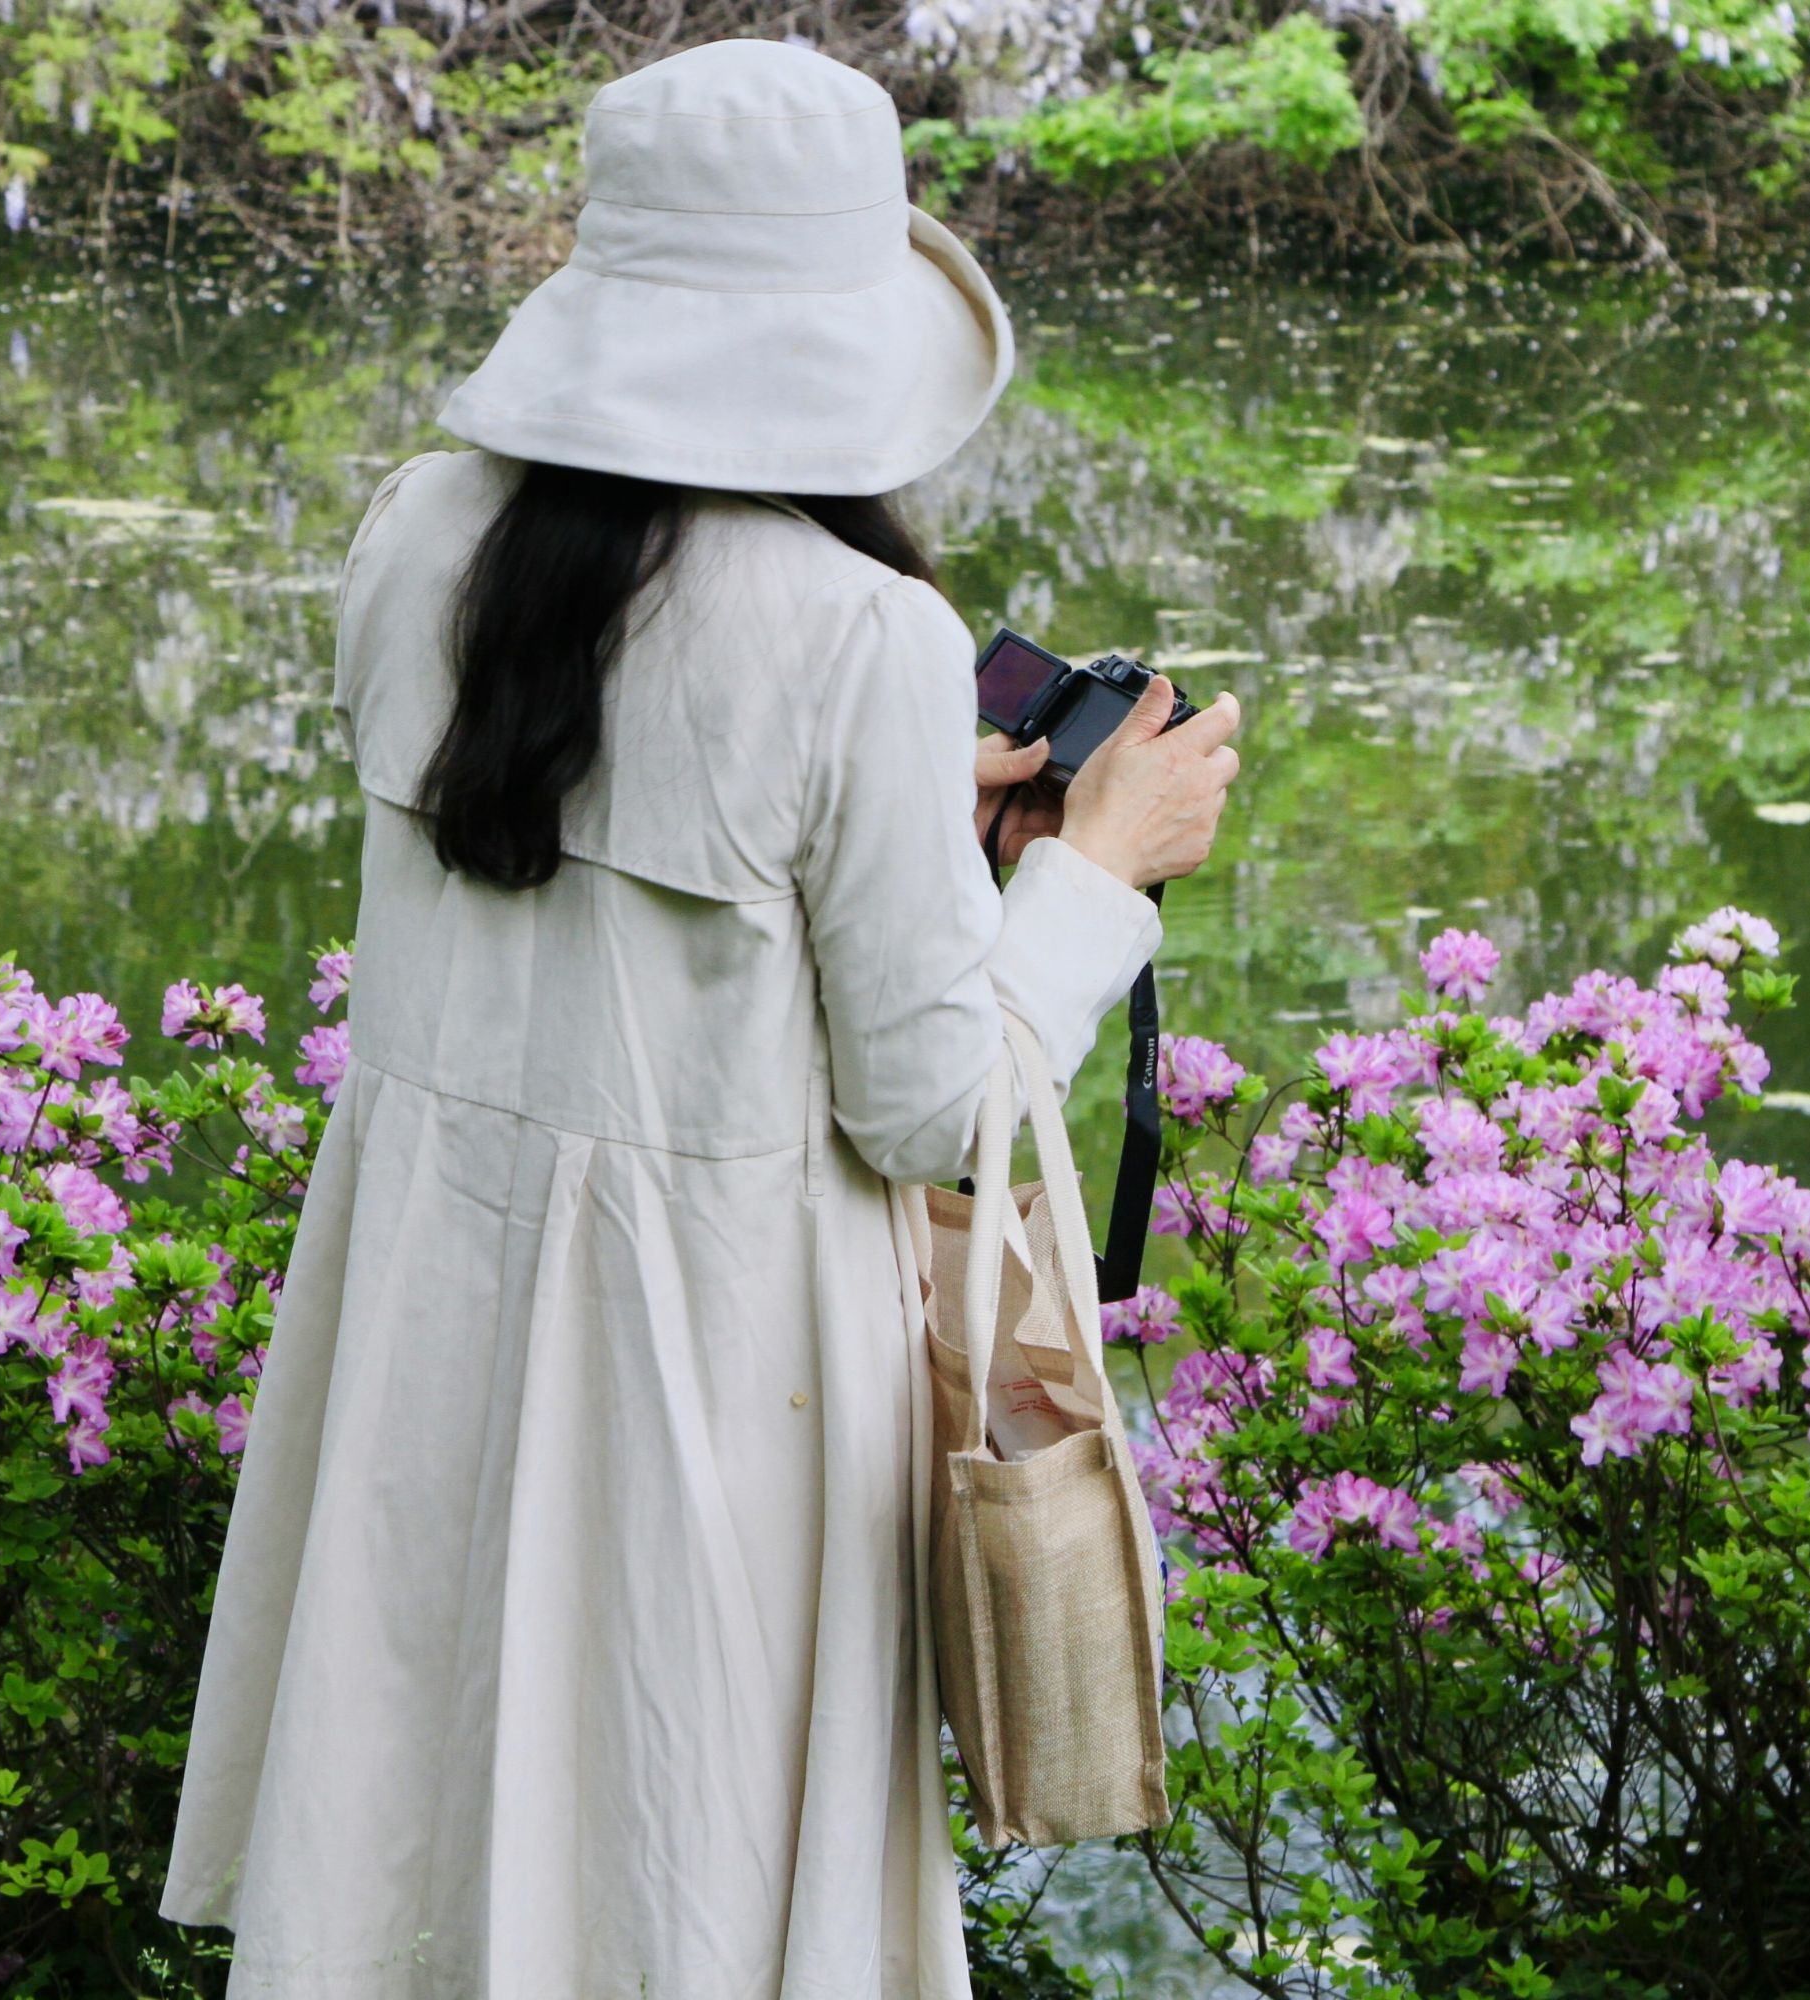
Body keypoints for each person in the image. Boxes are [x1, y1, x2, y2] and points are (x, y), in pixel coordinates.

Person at [156, 38, 1241, 1999]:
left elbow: (603, 863)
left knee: (434, 1851)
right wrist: (1092, 872)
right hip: (714, 1379)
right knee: (683, 1874)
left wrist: (923, 818)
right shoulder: (859, 637)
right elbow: (932, 1113)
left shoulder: (421, 534)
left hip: (439, 1336)